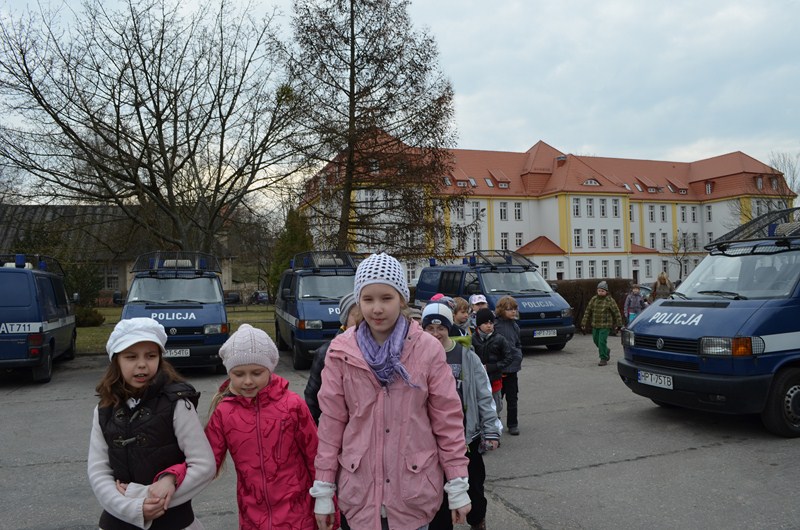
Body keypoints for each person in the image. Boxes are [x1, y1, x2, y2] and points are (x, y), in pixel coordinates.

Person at [311, 252, 471, 530]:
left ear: (402, 299)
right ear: (358, 301)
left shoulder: (427, 349)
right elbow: (331, 424)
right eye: (368, 299)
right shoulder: (340, 352)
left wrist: (457, 484)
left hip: (414, 491)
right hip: (359, 492)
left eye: (386, 298)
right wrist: (323, 489)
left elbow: (447, 419)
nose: (377, 309)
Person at [87, 317, 215, 530]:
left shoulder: (177, 403)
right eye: (131, 356)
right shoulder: (104, 409)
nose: (142, 364)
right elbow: (98, 471)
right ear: (116, 360)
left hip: (173, 521)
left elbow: (204, 465)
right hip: (118, 521)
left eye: (151, 356)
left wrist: (147, 497)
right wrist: (130, 508)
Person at [205, 324, 318, 529]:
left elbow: (315, 456)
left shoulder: (292, 405)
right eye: (239, 374)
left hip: (299, 516)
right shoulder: (224, 412)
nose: (248, 381)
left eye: (256, 373)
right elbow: (205, 460)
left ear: (270, 369)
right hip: (252, 518)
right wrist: (172, 477)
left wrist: (327, 501)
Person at [422, 302, 501, 530]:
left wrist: (491, 430)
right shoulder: (418, 357)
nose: (435, 333)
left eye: (441, 328)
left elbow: (484, 395)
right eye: (430, 328)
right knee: (437, 494)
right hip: (430, 441)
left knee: (474, 488)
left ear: (449, 328)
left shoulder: (466, 356)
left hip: (467, 438)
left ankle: (478, 521)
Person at [305, 292, 360, 424]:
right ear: (345, 320)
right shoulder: (327, 353)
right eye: (357, 316)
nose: (362, 322)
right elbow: (312, 400)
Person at [471, 307, 513, 415]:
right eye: (485, 323)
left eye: (491, 323)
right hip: (478, 380)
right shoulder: (472, 339)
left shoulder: (500, 339)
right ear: (478, 325)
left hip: (495, 379)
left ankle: (496, 420)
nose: (489, 326)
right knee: (479, 406)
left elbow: (508, 358)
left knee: (496, 406)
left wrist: (493, 367)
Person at [492, 296, 523, 436]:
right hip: (499, 370)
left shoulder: (515, 326)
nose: (513, 312)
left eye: (514, 309)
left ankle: (513, 424)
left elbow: (517, 343)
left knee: (512, 398)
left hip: (512, 369)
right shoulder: (495, 325)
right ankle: (494, 422)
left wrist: (518, 355)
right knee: (496, 399)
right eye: (509, 309)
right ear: (501, 310)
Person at [581, 281, 624, 366]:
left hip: (605, 325)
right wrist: (583, 322)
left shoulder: (609, 300)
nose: (600, 292)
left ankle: (603, 358)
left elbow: (616, 312)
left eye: (602, 291)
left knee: (601, 342)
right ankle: (606, 350)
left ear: (606, 292)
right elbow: (587, 311)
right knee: (596, 340)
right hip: (595, 324)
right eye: (599, 290)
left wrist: (619, 324)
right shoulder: (594, 299)